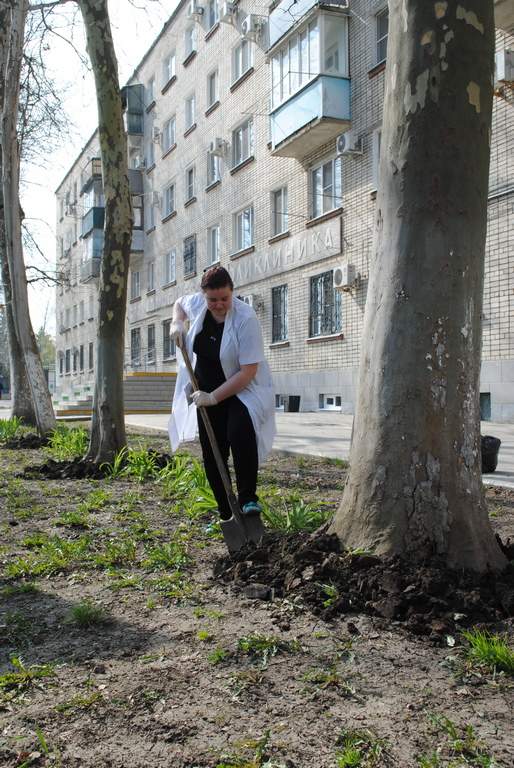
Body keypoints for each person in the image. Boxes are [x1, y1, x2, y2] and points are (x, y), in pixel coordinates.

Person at [168, 266, 275, 521]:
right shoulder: (198, 304)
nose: (218, 305)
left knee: (240, 434)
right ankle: (227, 513)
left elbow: (248, 371)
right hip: (204, 390)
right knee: (212, 453)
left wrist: (214, 397)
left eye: (224, 298)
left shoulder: (245, 318)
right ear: (204, 296)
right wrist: (176, 323)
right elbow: (179, 304)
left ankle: (248, 500)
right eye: (212, 299)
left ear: (232, 292)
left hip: (240, 391)